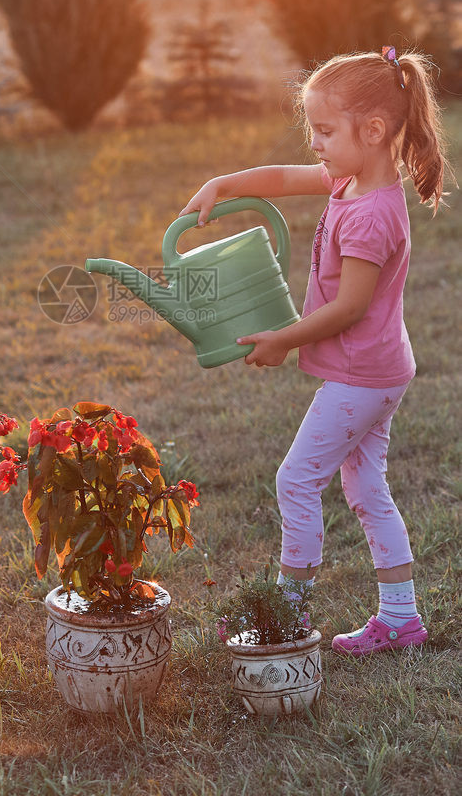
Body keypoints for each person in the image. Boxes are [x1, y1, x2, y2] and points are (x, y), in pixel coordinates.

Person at [179, 48, 452, 656]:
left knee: (295, 481)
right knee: (366, 489)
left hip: (362, 377)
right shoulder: (352, 180)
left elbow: (349, 308)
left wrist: (283, 339)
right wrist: (224, 183)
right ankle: (401, 619)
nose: (315, 143)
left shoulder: (371, 218)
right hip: (381, 370)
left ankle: (288, 614)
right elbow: (281, 178)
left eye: (325, 130)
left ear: (374, 131)